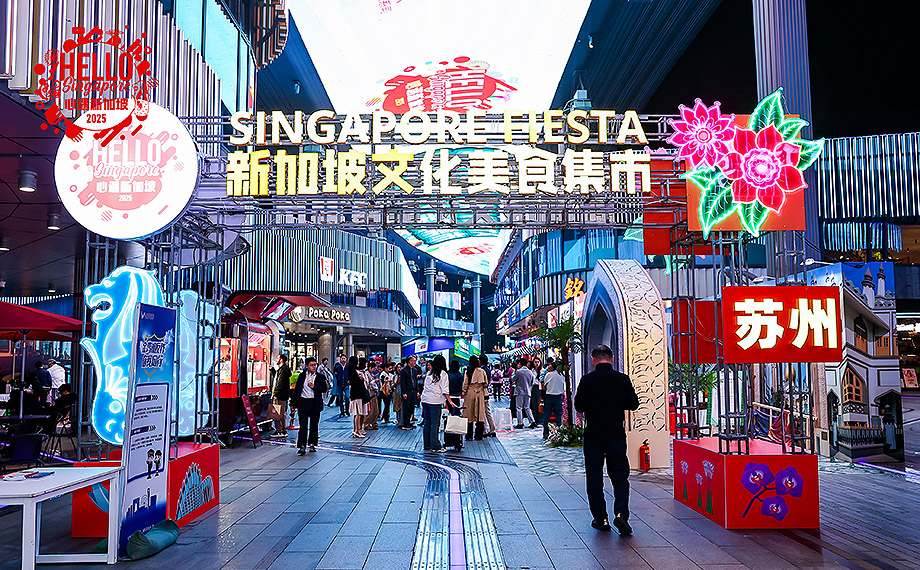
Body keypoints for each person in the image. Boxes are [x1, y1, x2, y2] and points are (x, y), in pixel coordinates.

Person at [574, 345, 640, 535]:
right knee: (620, 476)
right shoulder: (622, 379)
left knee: (594, 477)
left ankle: (601, 519)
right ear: (612, 358)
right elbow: (633, 404)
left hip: (594, 435)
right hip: (616, 434)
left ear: (593, 359)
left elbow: (579, 406)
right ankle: (620, 514)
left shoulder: (587, 380)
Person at [292, 357, 329, 455]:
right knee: (303, 425)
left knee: (314, 425)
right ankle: (302, 446)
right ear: (307, 366)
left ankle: (312, 444)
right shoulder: (302, 376)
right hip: (303, 402)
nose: (314, 367)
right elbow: (297, 390)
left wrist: (314, 387)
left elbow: (324, 388)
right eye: (311, 365)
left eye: (315, 365)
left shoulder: (320, 377)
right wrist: (293, 403)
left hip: (314, 403)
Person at [420, 355, 454, 452]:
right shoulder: (443, 374)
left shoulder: (430, 372)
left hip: (425, 400)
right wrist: (450, 401)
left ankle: (427, 445)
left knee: (427, 422)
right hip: (434, 401)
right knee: (435, 424)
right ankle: (435, 446)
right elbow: (445, 390)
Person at [462, 355, 488, 440]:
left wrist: (464, 392)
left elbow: (465, 384)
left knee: (469, 414)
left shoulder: (468, 372)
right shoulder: (482, 371)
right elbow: (486, 383)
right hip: (479, 394)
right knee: (480, 414)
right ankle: (478, 435)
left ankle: (469, 435)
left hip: (470, 393)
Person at [542, 362, 565, 439]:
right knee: (558, 415)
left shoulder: (548, 375)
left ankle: (546, 433)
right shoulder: (561, 375)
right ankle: (559, 433)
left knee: (546, 415)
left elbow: (544, 385)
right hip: (558, 396)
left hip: (549, 396)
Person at [271, 354, 291, 438]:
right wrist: (272, 370)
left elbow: (280, 382)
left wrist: (276, 393)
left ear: (281, 359)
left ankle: (279, 431)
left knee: (277, 414)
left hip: (280, 395)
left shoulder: (283, 370)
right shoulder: (283, 369)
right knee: (281, 414)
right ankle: (282, 430)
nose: (276, 359)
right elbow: (278, 378)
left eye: (277, 358)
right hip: (283, 395)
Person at [348, 356, 369, 437]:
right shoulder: (354, 372)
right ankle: (357, 431)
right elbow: (358, 383)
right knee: (358, 413)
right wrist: (361, 379)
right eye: (357, 361)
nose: (358, 363)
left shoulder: (351, 371)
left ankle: (355, 430)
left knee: (356, 414)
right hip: (358, 394)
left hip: (354, 394)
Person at [399, 355, 421, 430]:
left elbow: (415, 381)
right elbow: (402, 383)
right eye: (413, 360)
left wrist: (417, 391)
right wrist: (404, 392)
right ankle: (406, 423)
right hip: (407, 391)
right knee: (406, 407)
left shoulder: (414, 370)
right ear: (409, 361)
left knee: (412, 406)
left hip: (413, 391)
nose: (415, 362)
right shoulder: (404, 370)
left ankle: (409, 421)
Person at [513, 359, 536, 429]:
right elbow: (532, 382)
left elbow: (513, 379)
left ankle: (520, 423)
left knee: (519, 408)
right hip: (528, 391)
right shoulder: (530, 372)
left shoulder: (518, 372)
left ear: (520, 363)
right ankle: (532, 422)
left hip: (519, 391)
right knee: (527, 407)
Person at [479, 354, 497, 437]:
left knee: (482, 412)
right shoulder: (488, 369)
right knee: (488, 412)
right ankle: (492, 429)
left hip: (481, 392)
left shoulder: (481, 370)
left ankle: (484, 430)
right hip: (486, 393)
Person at [363, 360, 380, 430]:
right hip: (370, 394)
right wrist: (374, 381)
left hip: (373, 394)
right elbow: (367, 384)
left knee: (375, 410)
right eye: (373, 368)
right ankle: (367, 423)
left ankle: (374, 422)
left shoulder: (370, 374)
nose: (374, 370)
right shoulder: (366, 374)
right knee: (370, 410)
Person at [532, 357, 544, 426]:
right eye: (535, 362)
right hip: (533, 388)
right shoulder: (532, 370)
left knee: (540, 404)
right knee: (534, 404)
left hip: (540, 388)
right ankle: (535, 419)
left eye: (538, 362)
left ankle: (540, 420)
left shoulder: (542, 370)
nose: (536, 363)